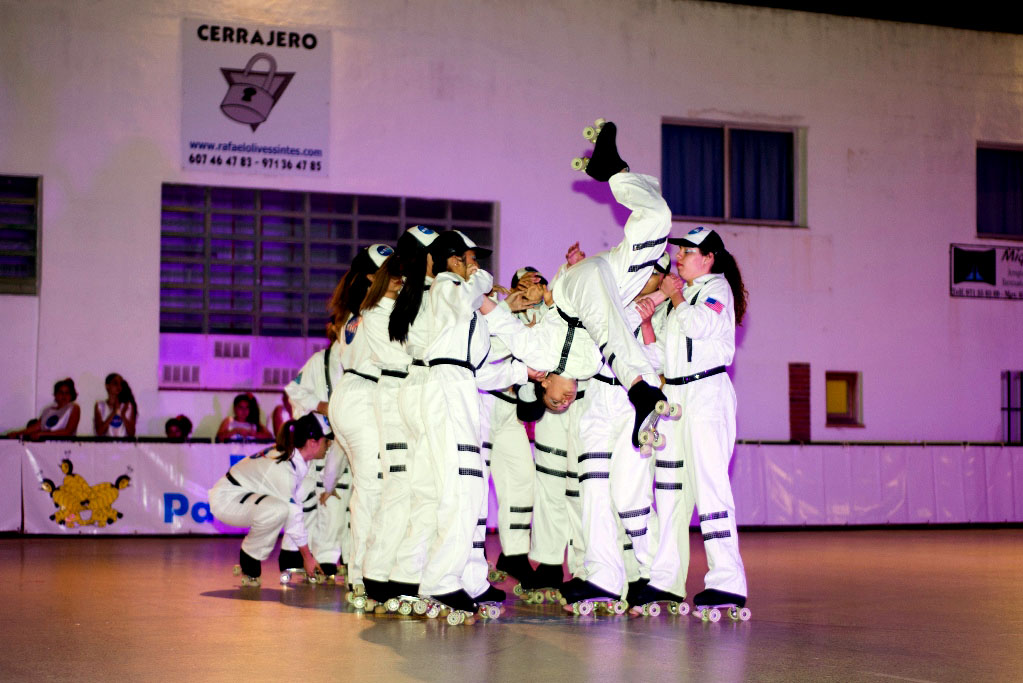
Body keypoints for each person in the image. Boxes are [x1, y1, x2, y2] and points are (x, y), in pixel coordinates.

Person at [482, 121, 674, 452]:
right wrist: (660, 295)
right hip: (613, 286)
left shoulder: (535, 355)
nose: (565, 399)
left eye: (555, 400)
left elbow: (498, 322)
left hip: (574, 292)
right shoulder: (589, 368)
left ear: (543, 382)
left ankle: (640, 391)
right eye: (564, 404)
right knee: (658, 219)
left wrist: (469, 291)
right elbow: (618, 321)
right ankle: (615, 171)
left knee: (601, 313)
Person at [630, 226, 751, 618]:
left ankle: (727, 582)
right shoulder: (681, 300)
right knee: (669, 490)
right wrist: (649, 323)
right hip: (676, 396)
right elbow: (661, 361)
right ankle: (665, 578)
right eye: (678, 250)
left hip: (707, 394)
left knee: (711, 486)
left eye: (688, 250)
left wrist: (675, 295)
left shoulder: (716, 290)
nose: (679, 255)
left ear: (709, 257)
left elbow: (701, 325)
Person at [326, 243, 397, 603]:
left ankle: (360, 571)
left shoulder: (357, 312)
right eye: (391, 271)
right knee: (372, 487)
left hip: (351, 393)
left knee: (366, 486)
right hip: (364, 394)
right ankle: (364, 574)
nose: (399, 277)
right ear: (372, 276)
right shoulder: (375, 311)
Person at [208, 413, 331, 586]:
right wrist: (307, 557)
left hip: (241, 494)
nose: (329, 445)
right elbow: (294, 518)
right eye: (327, 441)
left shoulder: (295, 456)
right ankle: (249, 559)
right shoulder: (284, 469)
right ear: (312, 443)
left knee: (290, 502)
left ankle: (255, 559)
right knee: (279, 510)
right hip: (226, 500)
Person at [7, 378, 81, 440]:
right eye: (61, 392)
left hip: (65, 447)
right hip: (45, 447)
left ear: (71, 395)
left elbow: (68, 432)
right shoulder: (48, 410)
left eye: (67, 393)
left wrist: (43, 434)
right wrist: (17, 433)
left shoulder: (74, 408)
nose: (64, 396)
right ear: (55, 395)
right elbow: (35, 427)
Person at [94, 373, 137, 438]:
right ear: (107, 386)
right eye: (115, 383)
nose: (119, 386)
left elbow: (132, 434)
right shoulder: (100, 405)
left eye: (120, 384)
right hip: (105, 446)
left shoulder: (128, 406)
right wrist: (114, 412)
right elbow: (99, 432)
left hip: (124, 447)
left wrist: (122, 414)